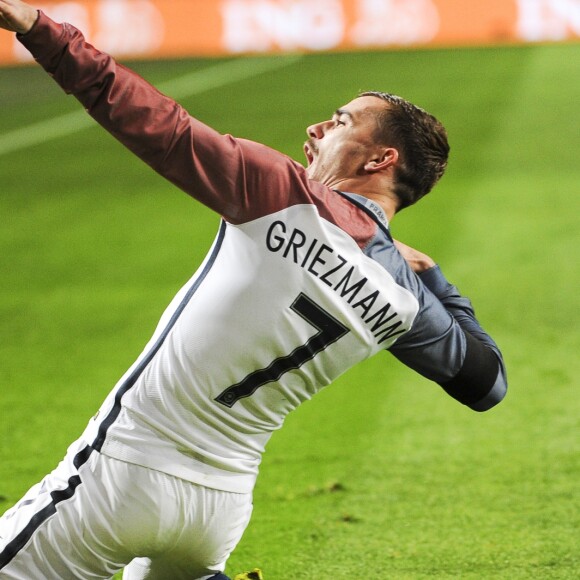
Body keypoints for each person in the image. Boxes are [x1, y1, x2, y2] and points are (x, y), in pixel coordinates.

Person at [0, 0, 508, 578]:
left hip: (125, 476)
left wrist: (42, 30)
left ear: (381, 159)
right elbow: (486, 383)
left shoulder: (280, 192)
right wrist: (434, 278)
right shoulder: (406, 299)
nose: (316, 129)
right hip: (220, 509)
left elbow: (153, 121)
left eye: (340, 122)